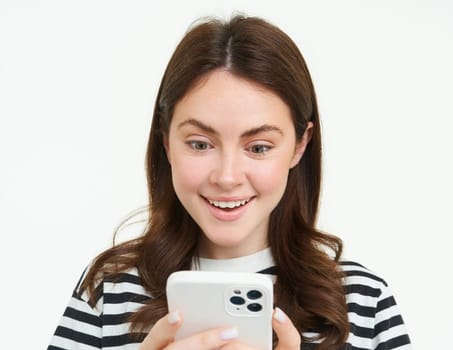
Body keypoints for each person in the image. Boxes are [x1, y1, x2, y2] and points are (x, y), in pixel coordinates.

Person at [48, 15, 411, 350]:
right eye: (200, 144)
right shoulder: (109, 290)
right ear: (165, 141)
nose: (227, 177)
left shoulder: (362, 302)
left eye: (258, 147)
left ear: (299, 146)